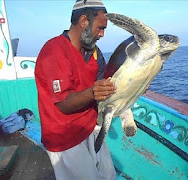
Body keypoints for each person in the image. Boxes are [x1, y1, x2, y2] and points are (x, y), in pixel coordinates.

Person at [34, 0, 117, 179]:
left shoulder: (95, 53)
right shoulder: (54, 51)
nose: (102, 34)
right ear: (84, 21)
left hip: (90, 129)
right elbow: (63, 104)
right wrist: (93, 92)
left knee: (109, 176)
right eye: (100, 27)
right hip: (65, 140)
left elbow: (104, 87)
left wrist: (134, 85)